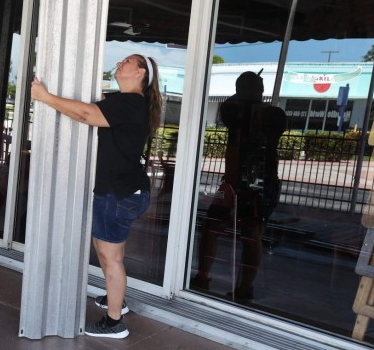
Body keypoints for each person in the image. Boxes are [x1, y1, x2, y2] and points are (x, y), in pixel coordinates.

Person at [31, 54, 162, 339]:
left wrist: (45, 97)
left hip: (119, 192)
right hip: (127, 190)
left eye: (125, 62)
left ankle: (114, 322)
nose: (118, 65)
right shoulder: (130, 103)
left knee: (108, 255)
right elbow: (98, 112)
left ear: (139, 72)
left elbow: (86, 114)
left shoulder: (129, 103)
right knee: (112, 251)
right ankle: (117, 299)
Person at [193, 71, 286, 300]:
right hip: (261, 179)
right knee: (251, 234)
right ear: (261, 89)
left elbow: (228, 115)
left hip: (241, 179)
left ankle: (205, 276)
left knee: (216, 227)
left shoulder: (234, 111)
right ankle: (244, 286)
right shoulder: (275, 114)